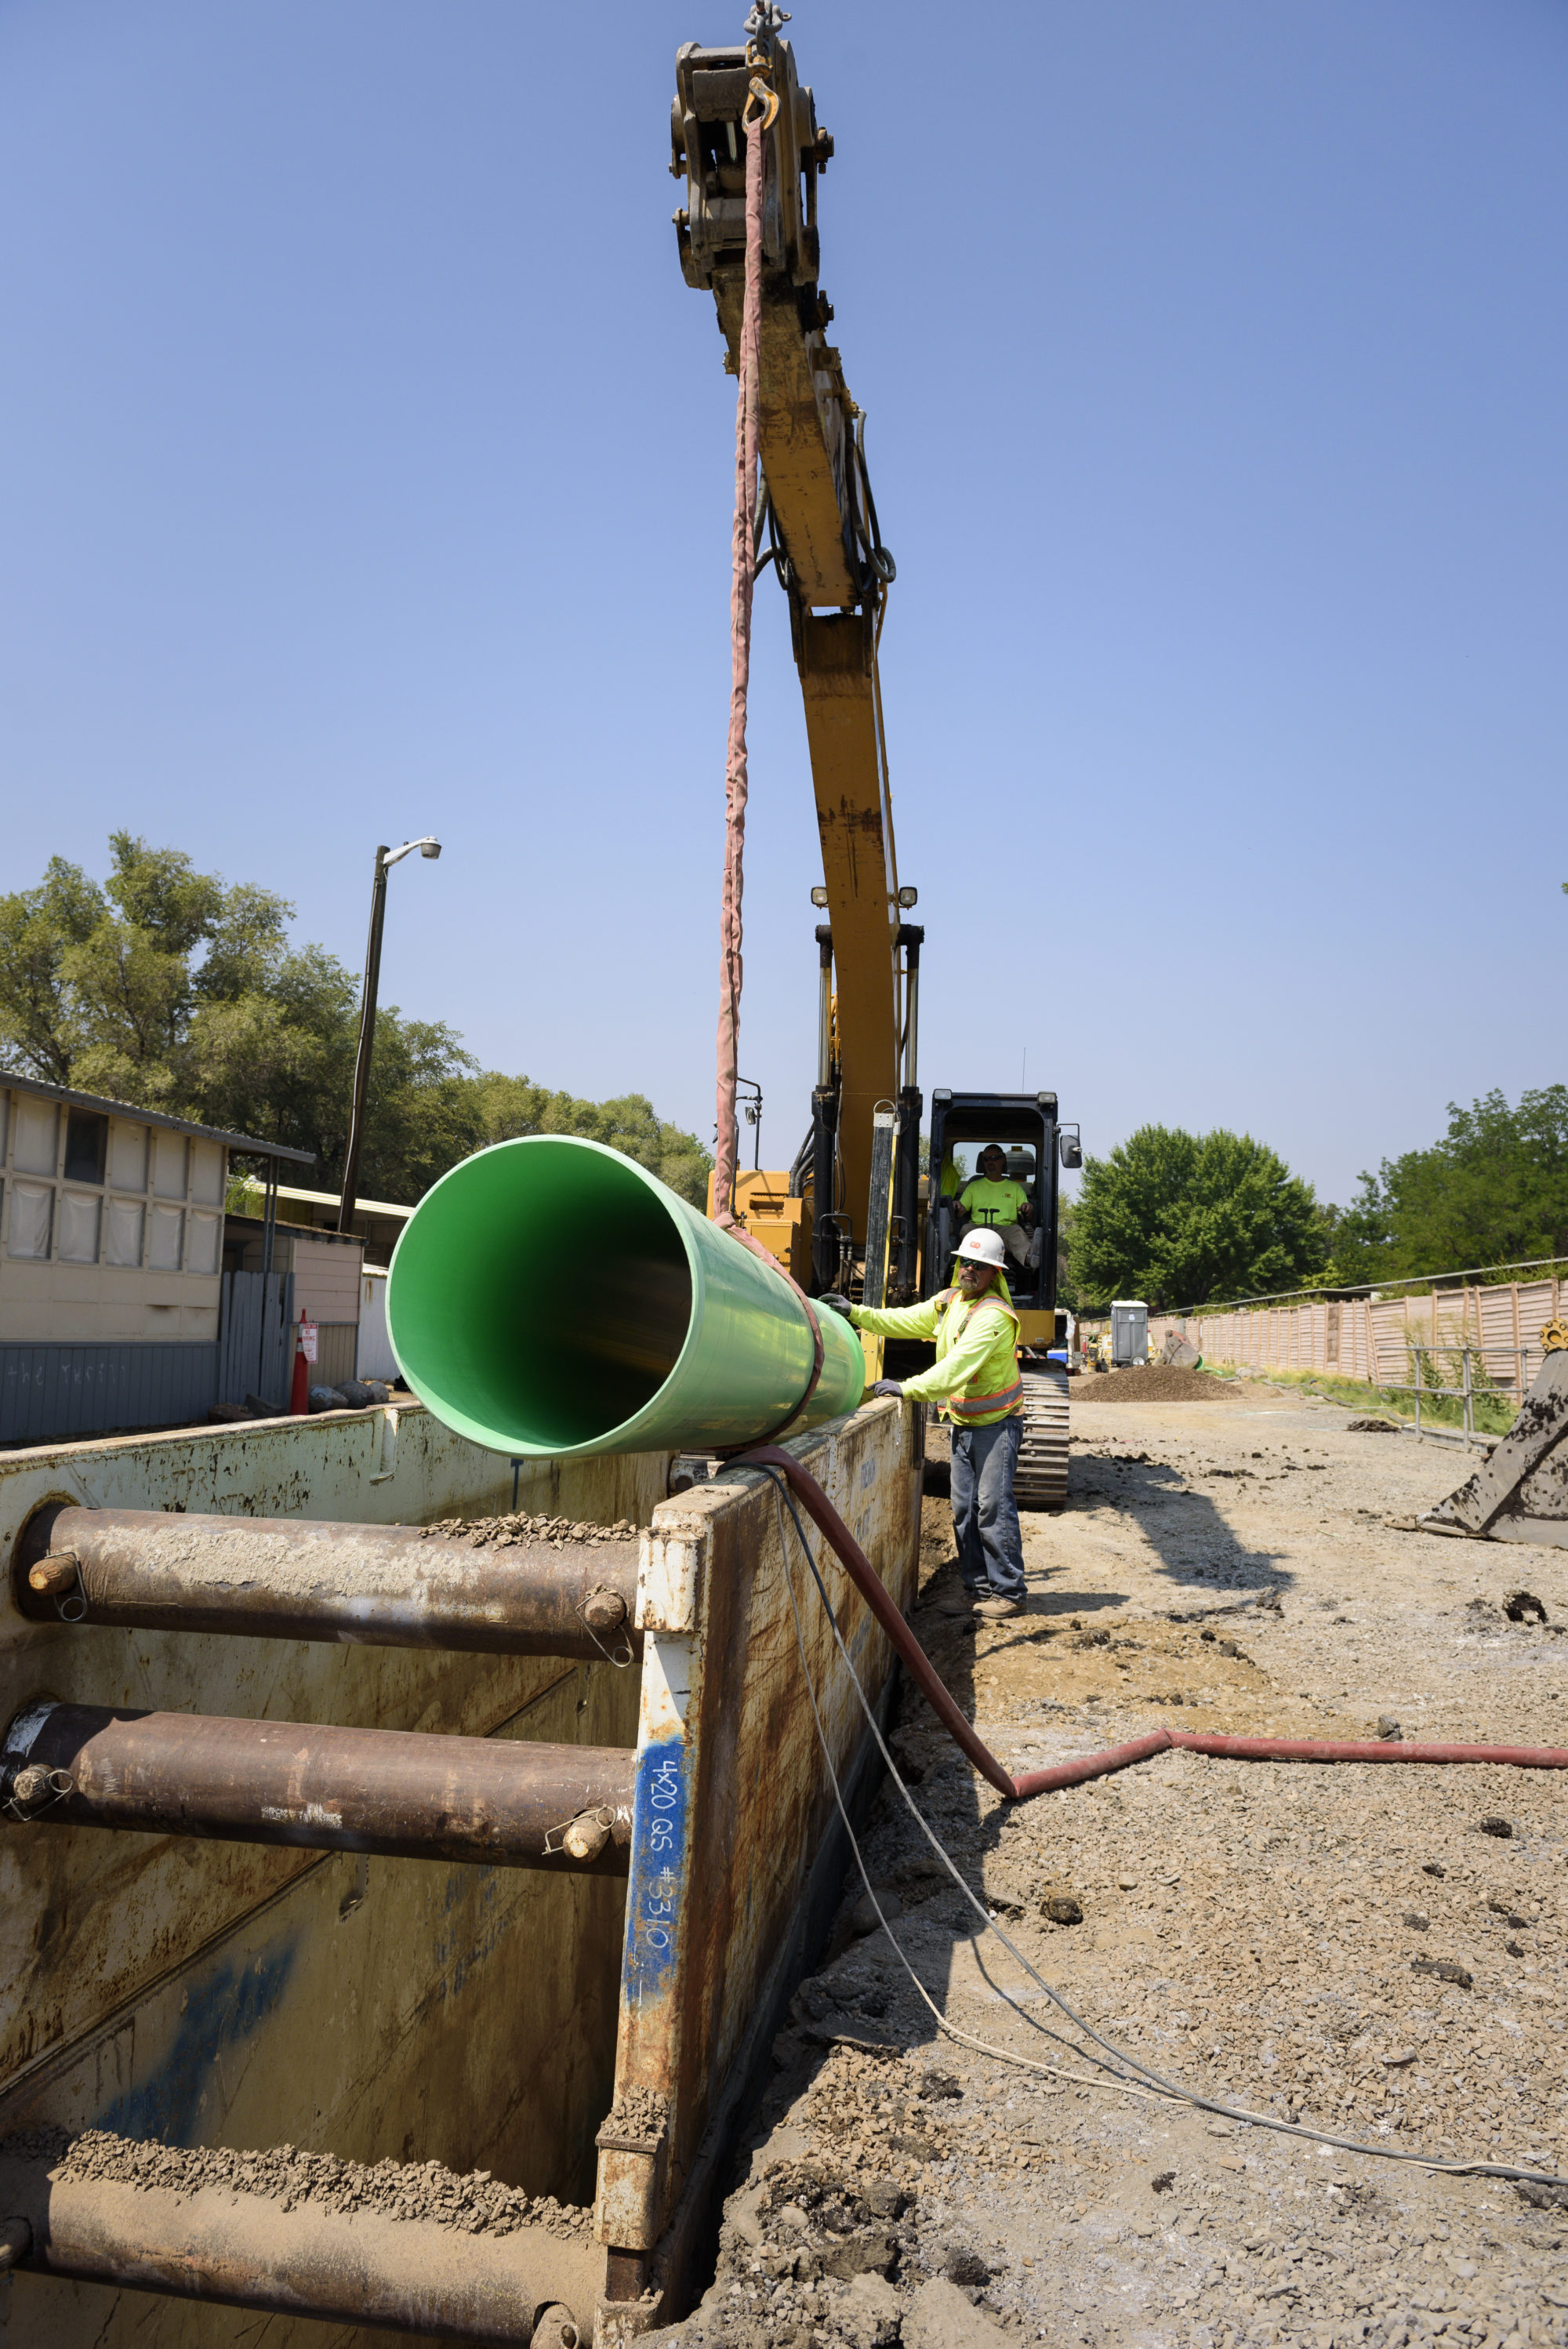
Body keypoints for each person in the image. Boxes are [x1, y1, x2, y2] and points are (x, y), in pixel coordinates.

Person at [821, 1228, 1026, 1620]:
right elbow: (904, 1320)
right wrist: (854, 1312)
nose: (970, 1269)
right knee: (965, 1509)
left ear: (994, 1273)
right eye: (965, 1261)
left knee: (993, 1509)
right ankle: (977, 1591)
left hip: (997, 1426)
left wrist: (905, 1388)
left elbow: (953, 1371)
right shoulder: (951, 1302)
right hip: (966, 1423)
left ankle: (1009, 1593)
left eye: (980, 1266)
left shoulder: (993, 1316)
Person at [956, 1143, 1038, 1269]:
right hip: (979, 1229)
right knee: (966, 1228)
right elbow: (961, 1211)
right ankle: (968, 1267)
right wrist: (956, 1206)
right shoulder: (974, 1186)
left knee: (1018, 1233)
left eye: (994, 1158)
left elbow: (1027, 1216)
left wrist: (1028, 1209)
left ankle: (1029, 1259)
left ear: (1003, 1159)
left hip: (1006, 1229)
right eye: (986, 1159)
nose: (990, 1162)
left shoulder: (1014, 1188)